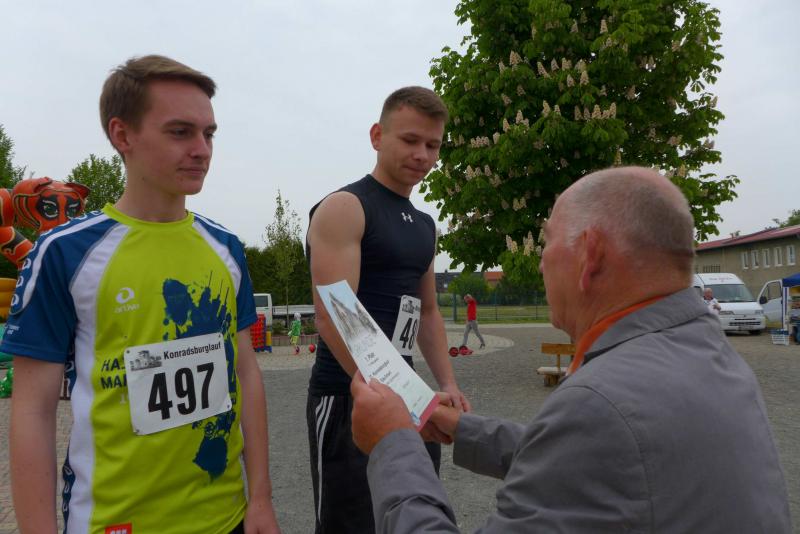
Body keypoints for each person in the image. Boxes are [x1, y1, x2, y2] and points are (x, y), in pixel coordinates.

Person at [350, 166, 792, 533]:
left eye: (547, 242)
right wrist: (463, 429)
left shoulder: (601, 403)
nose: (542, 261)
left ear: (590, 254)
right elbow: (590, 459)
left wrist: (393, 444)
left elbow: (598, 431)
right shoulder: (708, 357)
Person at [4, 55, 280, 534]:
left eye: (209, 134)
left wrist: (260, 499)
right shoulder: (65, 253)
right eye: (180, 132)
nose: (201, 150)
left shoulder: (226, 248)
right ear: (122, 135)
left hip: (227, 517)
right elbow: (32, 410)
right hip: (115, 521)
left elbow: (245, 373)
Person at [305, 86, 471, 533]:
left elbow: (428, 312)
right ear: (377, 136)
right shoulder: (345, 207)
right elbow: (334, 314)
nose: (422, 155)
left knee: (409, 516)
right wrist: (394, 397)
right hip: (349, 396)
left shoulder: (425, 226)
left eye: (433, 145)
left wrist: (447, 384)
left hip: (408, 395)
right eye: (410, 140)